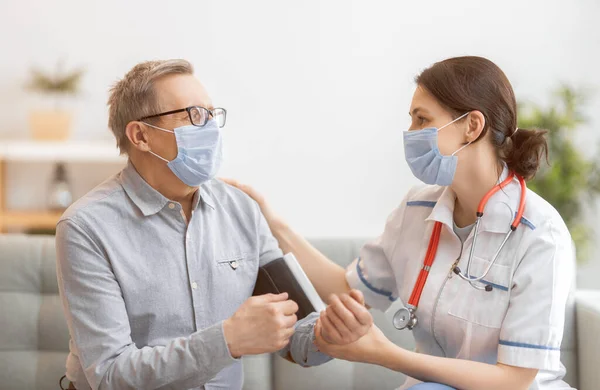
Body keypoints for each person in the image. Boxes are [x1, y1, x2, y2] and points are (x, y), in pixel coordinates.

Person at [225, 56, 575, 389]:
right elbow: (350, 290)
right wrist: (272, 224)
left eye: (422, 120)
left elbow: (512, 381)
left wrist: (386, 354)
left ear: (472, 126)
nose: (410, 133)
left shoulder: (541, 236)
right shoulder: (417, 207)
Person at [55, 59, 331, 390]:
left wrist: (327, 334)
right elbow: (112, 375)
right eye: (195, 115)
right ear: (141, 135)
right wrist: (227, 340)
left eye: (212, 115)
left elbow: (296, 333)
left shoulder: (242, 209)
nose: (211, 128)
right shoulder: (85, 227)